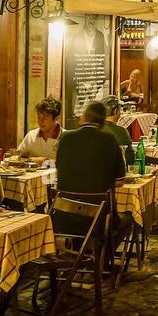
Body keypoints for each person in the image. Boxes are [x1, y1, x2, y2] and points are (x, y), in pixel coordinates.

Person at [54, 101, 127, 236]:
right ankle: (102, 255)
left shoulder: (65, 138)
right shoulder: (110, 140)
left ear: (83, 118)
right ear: (103, 121)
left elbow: (59, 169)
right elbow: (120, 181)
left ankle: (84, 250)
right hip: (97, 218)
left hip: (64, 215)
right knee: (128, 220)